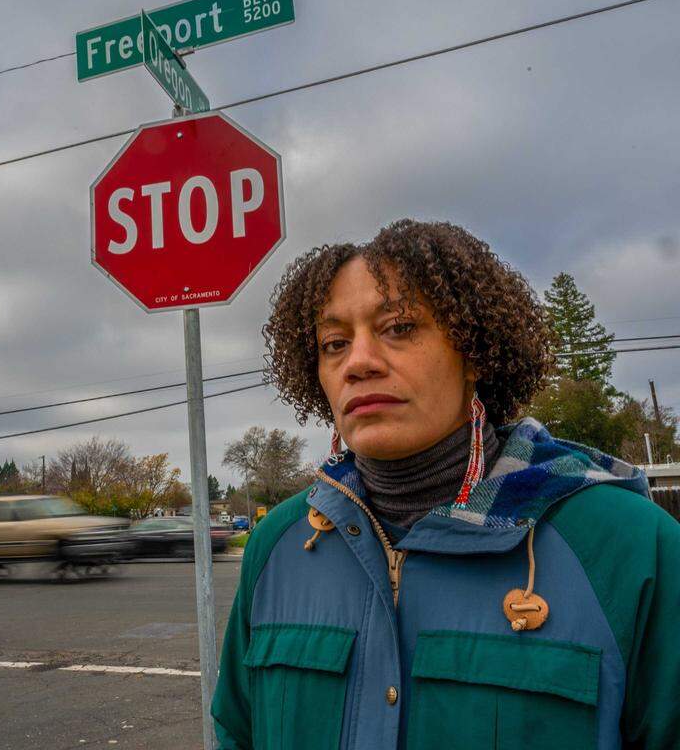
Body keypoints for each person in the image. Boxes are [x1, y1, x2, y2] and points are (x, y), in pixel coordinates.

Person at [212, 220, 679, 750]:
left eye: (400, 327)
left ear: (474, 352)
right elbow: (237, 732)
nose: (359, 363)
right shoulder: (278, 544)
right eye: (334, 342)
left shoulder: (633, 546)